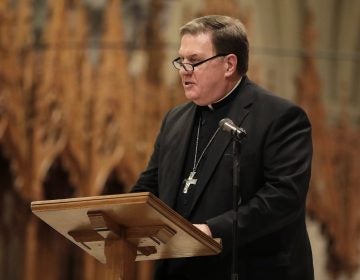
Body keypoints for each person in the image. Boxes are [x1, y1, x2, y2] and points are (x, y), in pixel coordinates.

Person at [131, 15, 314, 280]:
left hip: (249, 269)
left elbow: (284, 198)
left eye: (194, 61)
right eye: (181, 60)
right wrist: (115, 219)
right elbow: (151, 186)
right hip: (181, 271)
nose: (184, 69)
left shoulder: (279, 117)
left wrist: (212, 230)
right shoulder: (175, 120)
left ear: (229, 64)